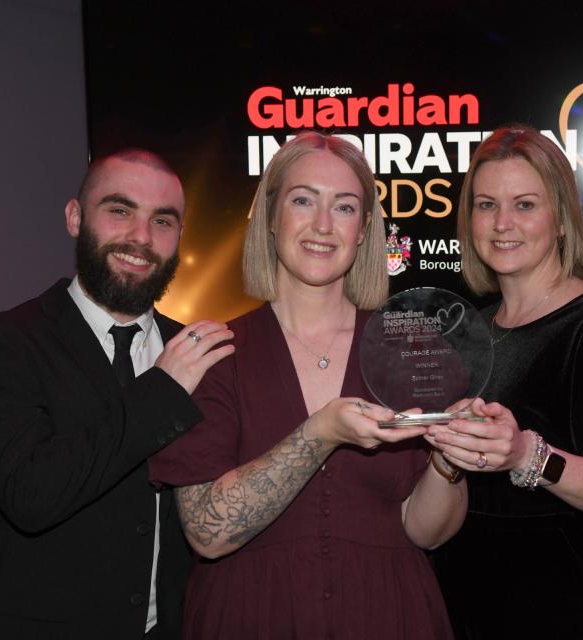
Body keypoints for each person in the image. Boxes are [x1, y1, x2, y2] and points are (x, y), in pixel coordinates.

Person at [148, 132, 466, 639]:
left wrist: (452, 458)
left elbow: (424, 530)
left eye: (344, 207)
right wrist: (320, 433)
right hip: (251, 617)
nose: (323, 225)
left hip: (389, 616)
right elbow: (208, 531)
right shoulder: (216, 354)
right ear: (271, 217)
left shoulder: (411, 352)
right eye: (303, 200)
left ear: (364, 230)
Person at [0, 149, 235, 639]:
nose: (142, 238)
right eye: (120, 211)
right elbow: (31, 495)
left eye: (162, 221)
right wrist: (164, 389)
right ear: (75, 217)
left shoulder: (197, 350)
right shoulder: (2, 342)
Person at [427, 125, 583, 639]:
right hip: (466, 594)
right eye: (486, 205)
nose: (503, 223)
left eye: (525, 204)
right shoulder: (468, 331)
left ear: (560, 219)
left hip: (567, 602)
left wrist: (525, 455)